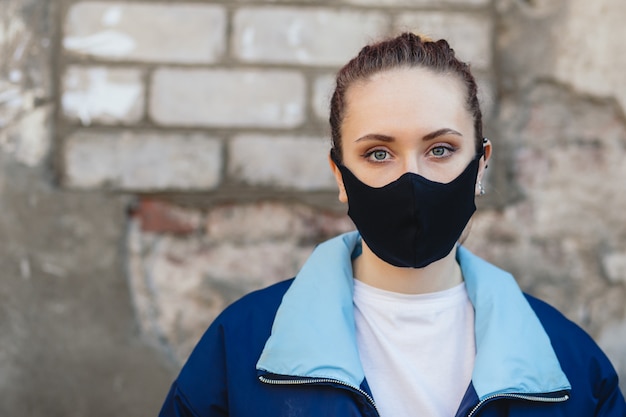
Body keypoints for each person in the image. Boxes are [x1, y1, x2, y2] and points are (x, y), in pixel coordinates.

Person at [158, 32, 625, 417]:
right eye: (378, 153)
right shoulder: (239, 348)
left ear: (481, 166)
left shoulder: (572, 367)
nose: (412, 180)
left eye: (440, 149)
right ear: (340, 175)